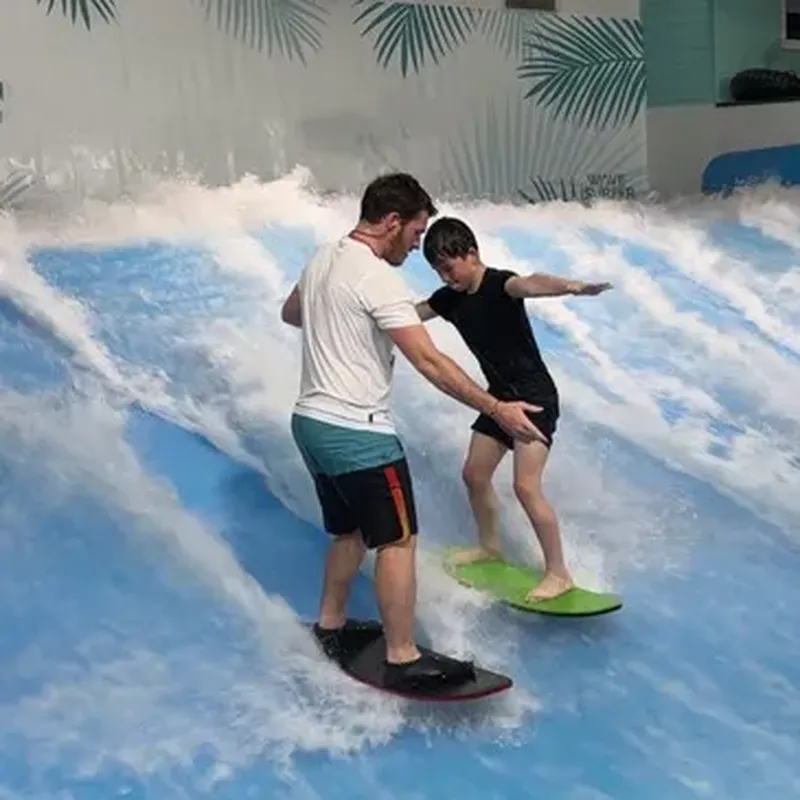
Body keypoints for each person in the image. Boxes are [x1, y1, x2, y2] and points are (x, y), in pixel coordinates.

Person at [280, 173, 542, 690]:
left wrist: (342, 328)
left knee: (348, 531)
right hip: (359, 431)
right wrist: (497, 407)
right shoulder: (377, 278)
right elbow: (429, 360)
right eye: (417, 232)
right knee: (398, 541)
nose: (419, 243)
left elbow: (293, 313)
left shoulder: (323, 257)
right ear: (393, 222)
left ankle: (330, 625)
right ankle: (401, 655)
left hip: (310, 423)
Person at [416, 216, 612, 602]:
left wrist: (571, 287)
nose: (445, 277)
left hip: (535, 399)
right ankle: (490, 547)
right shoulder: (449, 298)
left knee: (525, 487)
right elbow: (410, 315)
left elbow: (532, 283)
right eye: (438, 271)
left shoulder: (500, 284)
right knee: (474, 474)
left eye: (449, 267)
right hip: (500, 399)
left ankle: (559, 573)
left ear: (470, 253)